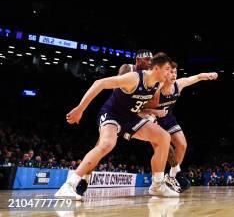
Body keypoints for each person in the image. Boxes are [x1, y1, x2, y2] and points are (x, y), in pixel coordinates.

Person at [55, 52, 179, 199]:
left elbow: (140, 106)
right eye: (167, 69)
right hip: (112, 114)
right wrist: (80, 109)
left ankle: (157, 185)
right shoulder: (134, 77)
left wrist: (152, 111)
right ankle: (69, 185)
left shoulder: (158, 84)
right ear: (157, 68)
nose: (169, 73)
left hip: (131, 118)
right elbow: (99, 83)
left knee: (164, 137)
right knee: (107, 144)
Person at [141, 61, 218, 192]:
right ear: (164, 73)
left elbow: (197, 77)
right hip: (152, 118)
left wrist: (209, 75)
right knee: (163, 150)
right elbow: (141, 109)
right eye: (170, 72)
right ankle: (156, 182)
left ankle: (171, 177)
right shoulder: (155, 88)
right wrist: (153, 113)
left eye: (175, 72)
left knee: (182, 145)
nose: (173, 75)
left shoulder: (178, 84)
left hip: (168, 118)